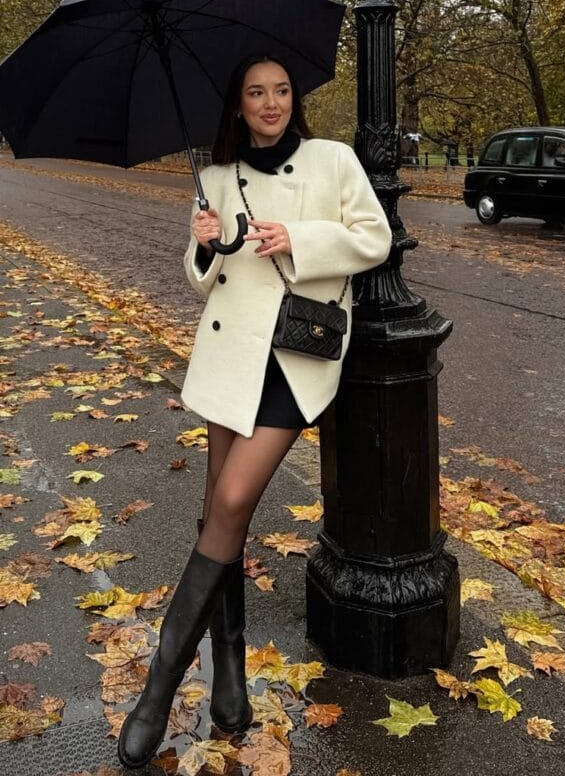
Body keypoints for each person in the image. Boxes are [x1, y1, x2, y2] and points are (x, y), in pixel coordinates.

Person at [117, 55, 392, 768]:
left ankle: (158, 686)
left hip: (296, 357)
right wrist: (207, 245)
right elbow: (199, 277)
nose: (271, 103)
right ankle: (229, 677)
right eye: (255, 93)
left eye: (281, 91)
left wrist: (299, 239)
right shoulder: (215, 178)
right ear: (237, 106)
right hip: (230, 356)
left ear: (292, 98)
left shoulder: (333, 160)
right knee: (221, 515)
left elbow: (375, 238)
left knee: (233, 499)